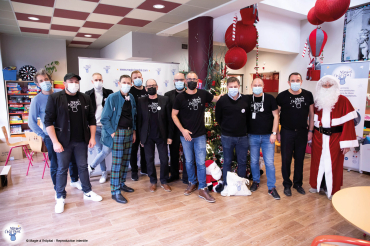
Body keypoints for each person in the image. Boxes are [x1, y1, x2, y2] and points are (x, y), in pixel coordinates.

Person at [44, 73, 102, 214]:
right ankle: (60, 197)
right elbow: (48, 122)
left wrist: (92, 137)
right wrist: (55, 142)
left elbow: (91, 120)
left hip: (81, 140)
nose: (74, 83)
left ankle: (87, 192)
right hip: (63, 141)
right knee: (62, 169)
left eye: (76, 81)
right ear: (64, 83)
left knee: (83, 167)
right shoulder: (55, 98)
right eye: (71, 81)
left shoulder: (85, 98)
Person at [29, 69, 82, 196]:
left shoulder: (61, 94)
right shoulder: (37, 100)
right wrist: (44, 135)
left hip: (68, 134)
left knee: (73, 159)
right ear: (37, 84)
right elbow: (31, 122)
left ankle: (74, 180)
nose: (45, 82)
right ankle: (57, 187)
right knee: (56, 164)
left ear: (51, 80)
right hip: (51, 136)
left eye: (46, 79)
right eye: (41, 81)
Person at [172, 71, 222, 203]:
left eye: (194, 78)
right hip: (186, 135)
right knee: (188, 161)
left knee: (200, 162)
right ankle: (192, 183)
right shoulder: (180, 97)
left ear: (198, 80)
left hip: (200, 135)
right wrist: (183, 130)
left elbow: (216, 99)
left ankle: (202, 188)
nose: (192, 81)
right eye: (189, 79)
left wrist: (223, 95)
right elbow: (173, 115)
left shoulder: (203, 94)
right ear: (185, 81)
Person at [309, 75, 358, 200]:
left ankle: (332, 188)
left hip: (335, 137)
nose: (327, 88)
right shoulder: (317, 101)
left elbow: (348, 124)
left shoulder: (343, 100)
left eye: (329, 85)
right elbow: (312, 121)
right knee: (317, 162)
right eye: (324, 85)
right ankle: (316, 185)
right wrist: (311, 137)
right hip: (319, 137)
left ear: (335, 86)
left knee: (334, 164)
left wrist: (346, 143)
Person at [276, 72, 314, 197]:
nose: (295, 83)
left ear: (301, 81)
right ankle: (287, 184)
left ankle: (298, 184)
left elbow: (312, 115)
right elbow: (276, 115)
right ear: (288, 82)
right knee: (286, 160)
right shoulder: (282, 96)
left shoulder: (308, 95)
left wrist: (311, 131)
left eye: (298, 80)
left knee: (299, 159)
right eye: (293, 80)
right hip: (287, 132)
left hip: (302, 132)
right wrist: (277, 132)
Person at [100, 75, 136, 204]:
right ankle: (115, 191)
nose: (126, 84)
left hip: (129, 132)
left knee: (126, 161)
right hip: (118, 133)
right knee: (117, 163)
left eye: (128, 82)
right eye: (124, 82)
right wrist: (112, 133)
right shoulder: (112, 97)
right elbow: (104, 118)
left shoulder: (131, 97)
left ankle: (121, 184)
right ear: (119, 83)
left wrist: (134, 131)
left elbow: (133, 116)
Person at [247, 78, 280, 200]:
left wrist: (274, 133)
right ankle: (255, 181)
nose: (257, 86)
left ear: (263, 86)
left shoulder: (270, 98)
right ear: (251, 86)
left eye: (259, 85)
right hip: (252, 136)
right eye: (255, 85)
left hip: (268, 137)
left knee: (269, 163)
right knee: (254, 161)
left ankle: (271, 187)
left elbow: (276, 116)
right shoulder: (248, 99)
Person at [137, 79, 173, 192]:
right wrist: (140, 138)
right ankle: (153, 181)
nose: (151, 87)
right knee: (149, 159)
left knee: (164, 159)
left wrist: (170, 136)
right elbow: (139, 120)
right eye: (149, 86)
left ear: (157, 87)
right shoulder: (141, 101)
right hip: (147, 136)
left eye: (153, 85)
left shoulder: (164, 100)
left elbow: (169, 119)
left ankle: (164, 181)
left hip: (161, 135)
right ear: (146, 88)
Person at [215, 77, 249, 192]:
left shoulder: (245, 100)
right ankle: (227, 184)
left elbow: (248, 118)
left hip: (243, 137)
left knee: (242, 162)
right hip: (227, 136)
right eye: (231, 87)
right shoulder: (222, 100)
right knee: (227, 161)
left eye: (235, 87)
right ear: (227, 87)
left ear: (239, 86)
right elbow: (218, 118)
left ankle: (241, 185)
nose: (233, 89)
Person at [85, 73, 113, 183]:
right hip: (94, 127)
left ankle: (90, 167)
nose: (98, 81)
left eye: (100, 79)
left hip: (106, 127)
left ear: (103, 80)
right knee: (100, 150)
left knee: (106, 150)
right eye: (96, 80)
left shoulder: (109, 93)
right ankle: (103, 173)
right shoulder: (87, 94)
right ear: (92, 81)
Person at [164, 73, 188, 184]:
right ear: (173, 81)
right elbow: (166, 114)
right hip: (172, 129)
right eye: (177, 79)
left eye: (181, 79)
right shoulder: (167, 95)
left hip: (187, 129)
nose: (179, 81)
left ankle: (187, 176)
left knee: (187, 154)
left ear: (185, 81)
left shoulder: (189, 93)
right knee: (173, 153)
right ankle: (174, 174)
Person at [129, 70, 148, 181]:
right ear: (132, 80)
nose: (137, 79)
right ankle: (134, 171)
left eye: (139, 77)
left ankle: (144, 168)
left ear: (142, 78)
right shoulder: (130, 92)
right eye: (135, 77)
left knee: (144, 148)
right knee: (133, 149)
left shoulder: (147, 90)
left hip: (145, 124)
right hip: (134, 125)